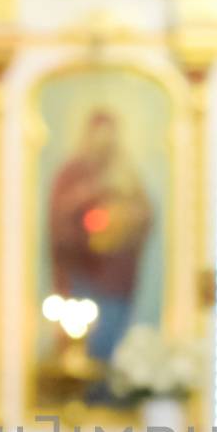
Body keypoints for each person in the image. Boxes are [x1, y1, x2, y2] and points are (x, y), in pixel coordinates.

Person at [47, 109, 153, 363]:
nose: (104, 142)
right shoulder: (73, 173)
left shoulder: (126, 172)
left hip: (117, 276)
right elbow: (60, 216)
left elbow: (145, 213)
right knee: (85, 342)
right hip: (83, 272)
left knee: (112, 339)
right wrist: (88, 197)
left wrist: (124, 218)